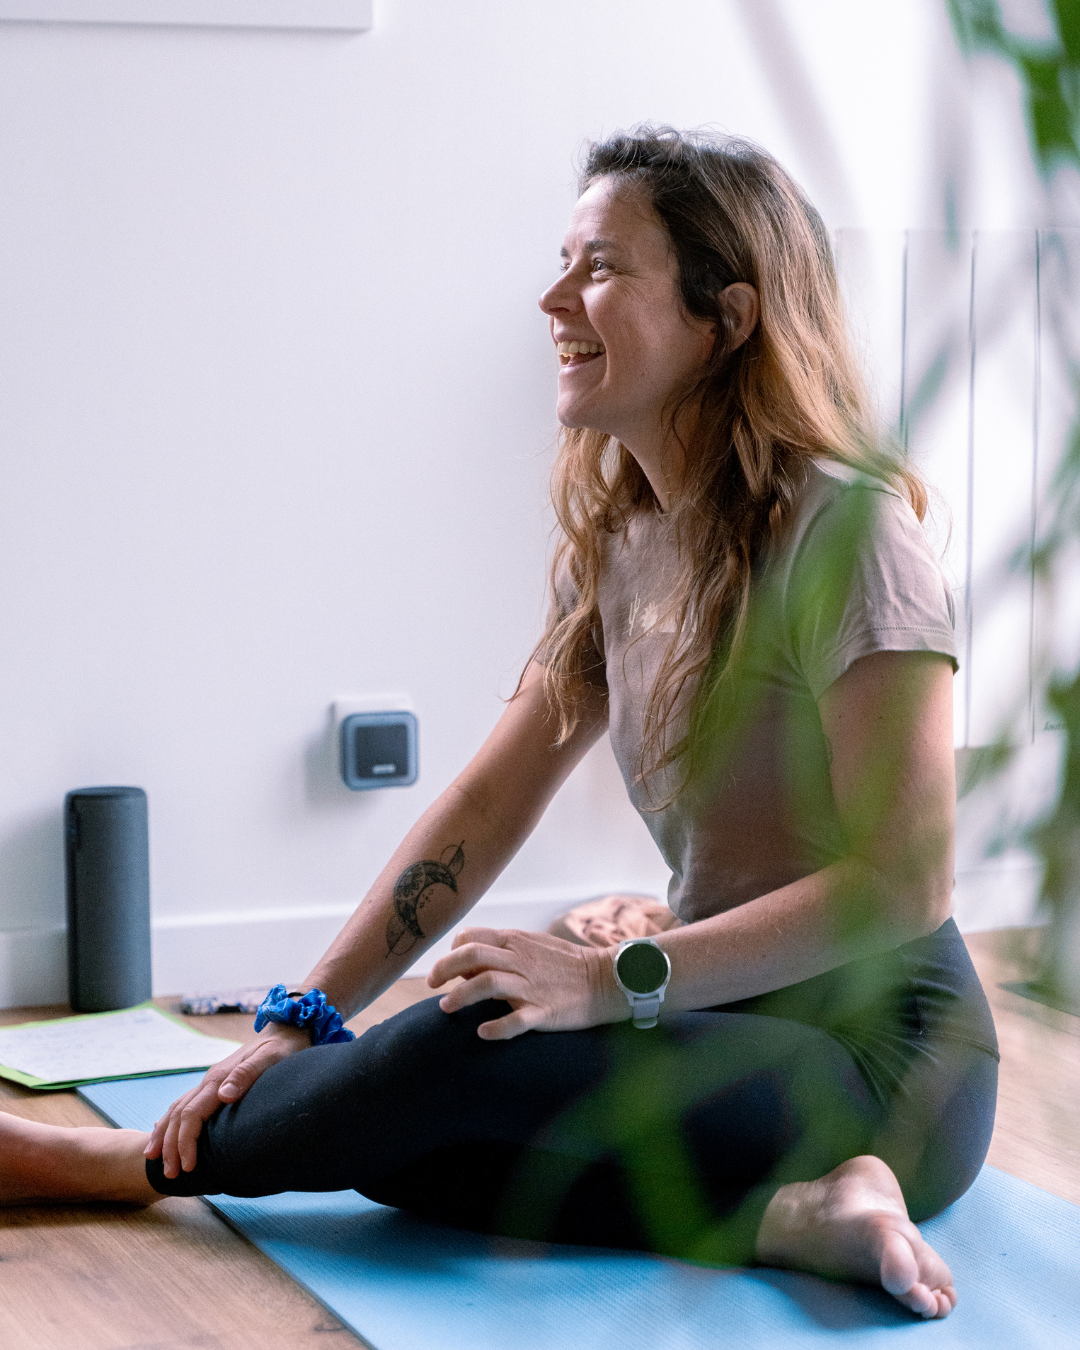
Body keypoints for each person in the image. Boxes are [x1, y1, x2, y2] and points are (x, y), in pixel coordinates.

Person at [0, 128, 997, 1321]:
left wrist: (610, 978)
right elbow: (486, 804)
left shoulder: (850, 531)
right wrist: (302, 1020)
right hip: (719, 1027)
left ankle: (119, 1164)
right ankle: (794, 1215)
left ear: (725, 319)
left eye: (601, 267)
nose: (552, 299)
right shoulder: (624, 544)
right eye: (562, 261)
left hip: (889, 1066)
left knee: (453, 1047)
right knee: (407, 1138)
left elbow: (904, 880)